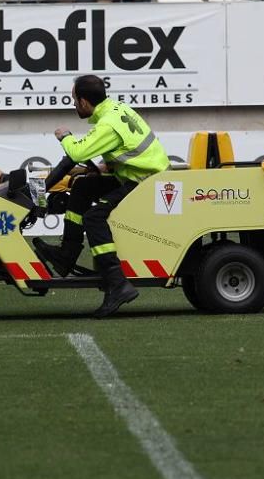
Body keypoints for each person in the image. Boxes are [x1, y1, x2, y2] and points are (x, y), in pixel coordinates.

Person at [34, 75, 169, 318]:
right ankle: (67, 255)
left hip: (144, 182)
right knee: (82, 187)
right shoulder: (115, 109)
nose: (74, 104)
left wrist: (64, 135)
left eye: (74, 99)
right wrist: (103, 166)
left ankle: (118, 283)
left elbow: (76, 153)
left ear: (84, 102)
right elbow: (123, 148)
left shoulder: (107, 125)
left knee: (94, 218)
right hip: (136, 175)